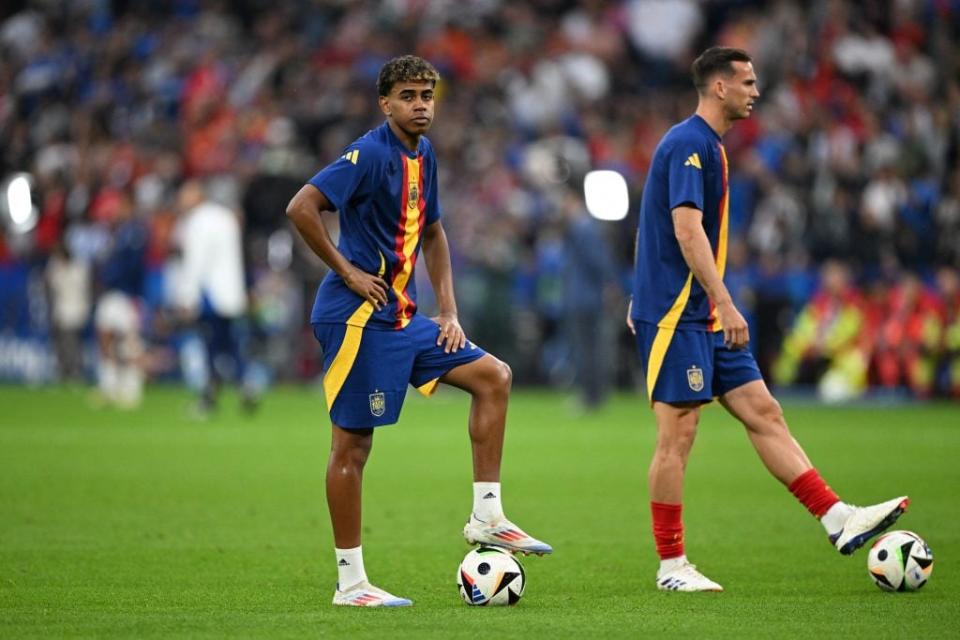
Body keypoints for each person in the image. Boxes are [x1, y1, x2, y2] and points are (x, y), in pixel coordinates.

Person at [626, 47, 908, 592]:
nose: (756, 91)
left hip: (701, 314)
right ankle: (671, 565)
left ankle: (837, 518)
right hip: (679, 317)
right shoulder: (689, 142)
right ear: (718, 88)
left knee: (764, 410)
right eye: (748, 82)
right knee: (678, 435)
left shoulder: (711, 146)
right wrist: (723, 301)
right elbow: (686, 231)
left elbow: (651, 222)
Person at [285, 55, 551, 608]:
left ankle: (487, 516)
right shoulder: (367, 153)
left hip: (403, 316)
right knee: (353, 447)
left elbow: (433, 232)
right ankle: (351, 583)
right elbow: (302, 207)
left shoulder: (424, 153)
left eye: (427, 95)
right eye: (408, 96)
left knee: (493, 377)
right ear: (385, 103)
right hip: (356, 315)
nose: (421, 105)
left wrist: (449, 311)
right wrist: (348, 271)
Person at [174, 179, 257, 415]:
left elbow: (196, 262)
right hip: (231, 293)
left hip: (210, 294)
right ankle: (244, 386)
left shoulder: (197, 222)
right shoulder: (226, 217)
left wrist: (186, 297)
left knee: (211, 346)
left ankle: (209, 397)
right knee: (229, 344)